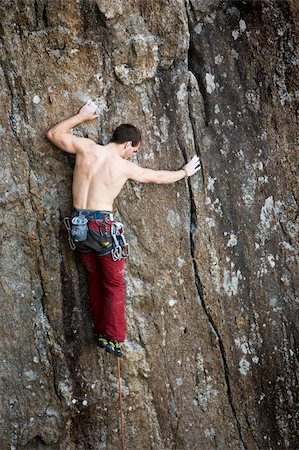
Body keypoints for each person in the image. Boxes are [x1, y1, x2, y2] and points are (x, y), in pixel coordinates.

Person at [46, 100, 200, 357]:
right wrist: (184, 172)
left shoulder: (87, 149)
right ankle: (114, 338)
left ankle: (100, 331)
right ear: (127, 144)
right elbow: (158, 177)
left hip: (78, 227)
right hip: (102, 228)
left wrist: (81, 117)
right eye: (134, 151)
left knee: (94, 279)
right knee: (114, 284)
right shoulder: (123, 166)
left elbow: (53, 134)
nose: (132, 155)